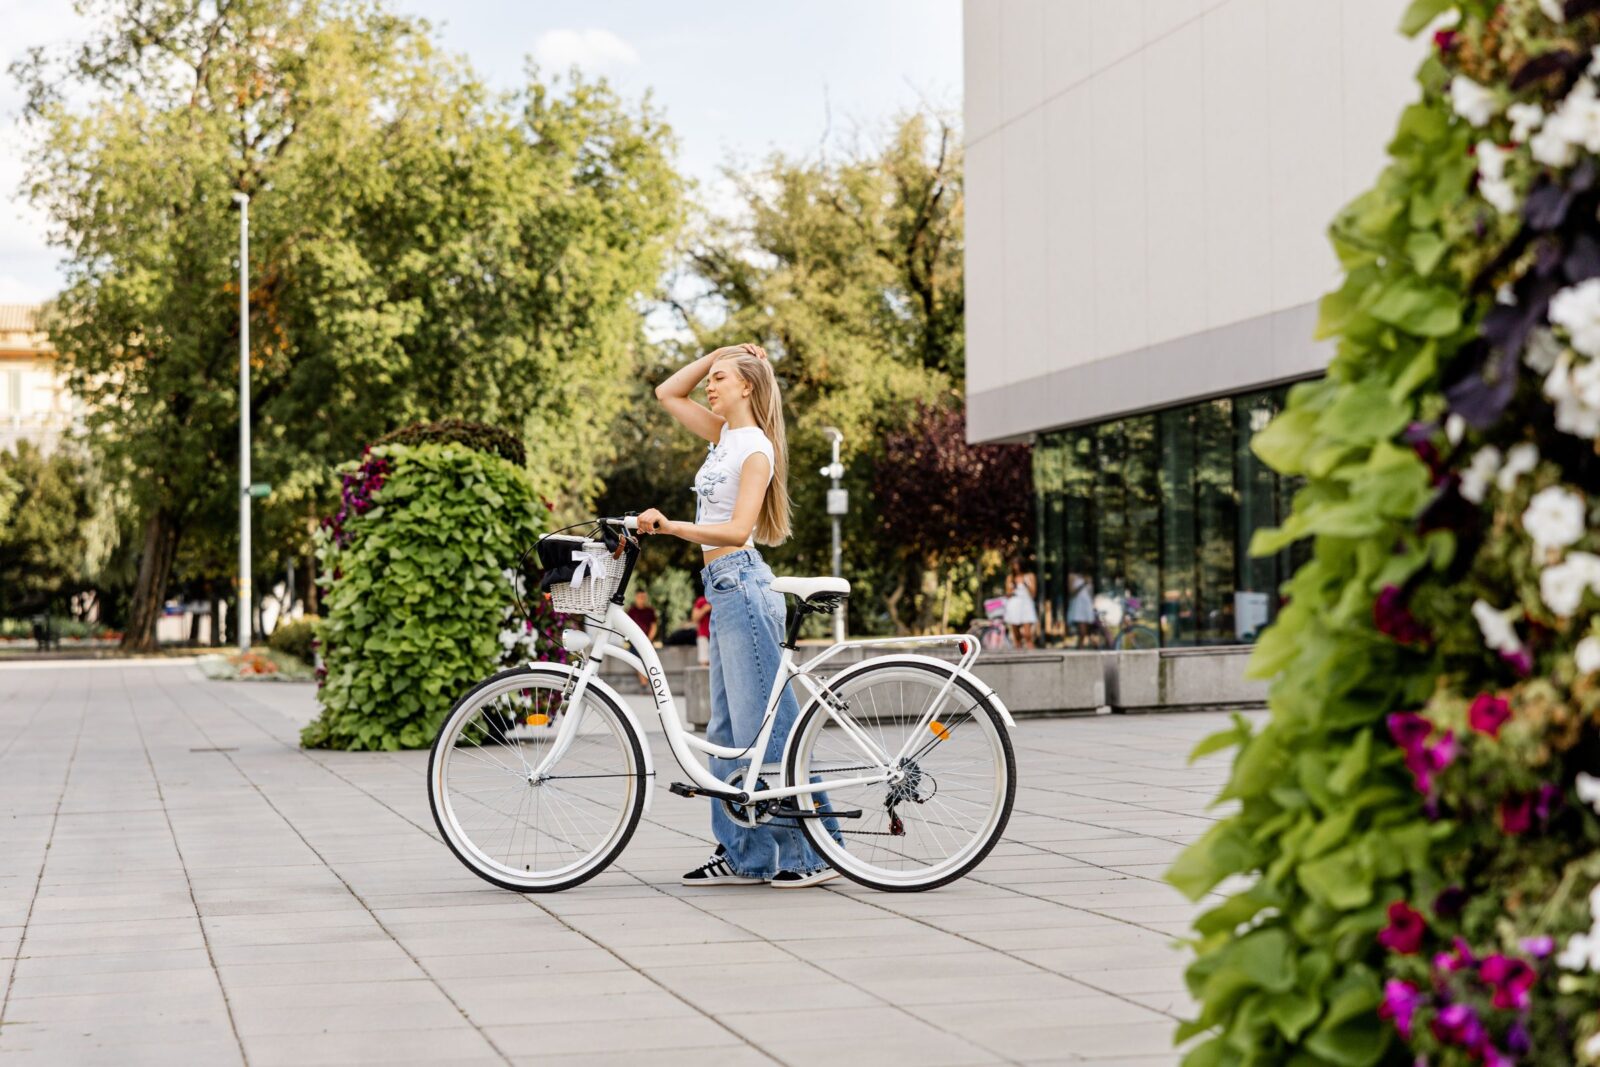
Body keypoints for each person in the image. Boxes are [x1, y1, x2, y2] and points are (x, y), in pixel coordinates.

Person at [637, 341, 840, 889]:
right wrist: (718, 353)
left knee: (766, 727)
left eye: (720, 378)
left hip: (745, 585)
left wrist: (672, 526)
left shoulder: (755, 449)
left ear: (746, 387)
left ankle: (811, 853)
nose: (710, 384)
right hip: (724, 589)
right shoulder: (723, 437)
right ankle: (746, 853)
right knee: (727, 731)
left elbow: (736, 529)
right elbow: (665, 391)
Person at [1003, 556, 1039, 650]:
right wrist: (1013, 588)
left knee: (1027, 634)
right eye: (1014, 565)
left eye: (1017, 564)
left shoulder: (1030, 576)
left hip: (1026, 604)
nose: (1016, 567)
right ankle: (1018, 651)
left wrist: (1026, 584)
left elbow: (1033, 593)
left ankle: (1032, 654)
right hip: (1014, 604)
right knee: (1016, 635)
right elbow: (1007, 593)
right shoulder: (1010, 577)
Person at [625, 588, 659, 688]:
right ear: (636, 597)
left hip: (647, 641)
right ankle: (644, 681)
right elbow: (627, 626)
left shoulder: (650, 611)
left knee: (645, 658)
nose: (642, 599)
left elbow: (654, 626)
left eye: (643, 597)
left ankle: (644, 682)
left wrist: (648, 639)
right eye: (640, 597)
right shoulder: (631, 611)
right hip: (635, 641)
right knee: (639, 657)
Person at [1067, 570, 1096, 648]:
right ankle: (1081, 646)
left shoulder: (1089, 577)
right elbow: (1072, 592)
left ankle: (1083, 646)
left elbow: (1091, 594)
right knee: (1082, 630)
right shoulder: (1072, 576)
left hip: (1087, 605)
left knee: (1088, 630)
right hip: (1079, 606)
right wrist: (1083, 584)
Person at [691, 593, 711, 666]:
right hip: (704, 635)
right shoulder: (702, 601)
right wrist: (705, 609)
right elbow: (694, 618)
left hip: (718, 635)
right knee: (704, 662)